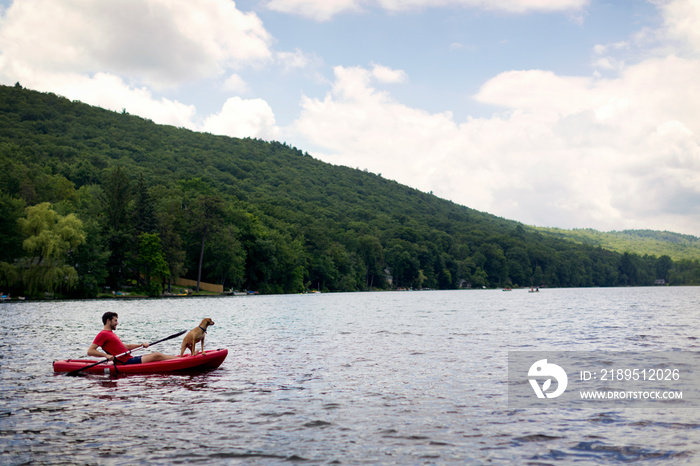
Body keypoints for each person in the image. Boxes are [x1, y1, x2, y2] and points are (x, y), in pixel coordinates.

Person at [88, 312, 178, 364]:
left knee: (158, 356)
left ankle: (178, 359)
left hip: (130, 358)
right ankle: (181, 360)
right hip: (125, 362)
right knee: (156, 355)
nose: (117, 323)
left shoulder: (110, 333)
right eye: (115, 320)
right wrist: (106, 355)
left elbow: (126, 347)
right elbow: (90, 351)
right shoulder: (103, 334)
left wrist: (141, 345)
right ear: (108, 321)